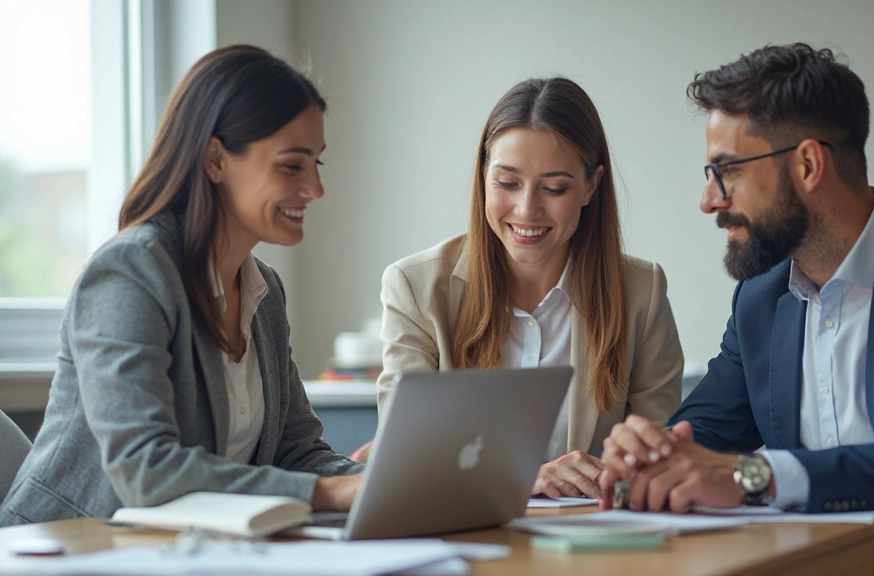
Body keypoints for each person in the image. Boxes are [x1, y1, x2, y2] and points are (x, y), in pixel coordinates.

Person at [598, 44, 874, 575]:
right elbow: (701, 435)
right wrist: (645, 455)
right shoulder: (761, 298)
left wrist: (753, 476)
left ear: (807, 163)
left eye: (726, 170)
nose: (709, 199)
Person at [0, 45, 364, 525]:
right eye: (292, 165)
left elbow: (296, 453)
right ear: (216, 159)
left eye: (316, 164)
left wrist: (381, 479)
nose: (315, 189)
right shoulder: (130, 273)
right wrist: (328, 492)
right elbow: (145, 469)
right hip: (68, 548)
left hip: (186, 550)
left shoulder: (264, 292)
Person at [375, 77, 684, 500]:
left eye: (555, 188)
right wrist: (520, 476)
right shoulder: (415, 288)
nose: (526, 210)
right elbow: (408, 454)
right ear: (483, 175)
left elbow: (657, 454)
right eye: (506, 183)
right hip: (468, 541)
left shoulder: (641, 292)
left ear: (592, 185)